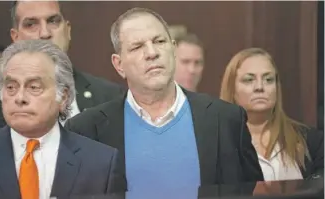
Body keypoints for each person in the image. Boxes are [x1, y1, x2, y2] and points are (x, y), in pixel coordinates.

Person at [65, 7, 264, 190]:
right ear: (119, 65)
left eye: (159, 41)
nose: (152, 53)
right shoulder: (86, 130)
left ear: (173, 49)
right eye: (137, 47)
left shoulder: (226, 120)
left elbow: (254, 192)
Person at [0, 40, 124, 199]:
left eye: (34, 87)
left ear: (63, 97)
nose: (20, 98)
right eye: (11, 87)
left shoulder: (101, 162)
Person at [0, 0, 125, 130]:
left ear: (68, 30)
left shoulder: (110, 97)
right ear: (15, 37)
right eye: (31, 24)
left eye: (53, 21)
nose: (45, 33)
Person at [220, 47, 324, 181]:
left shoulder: (310, 141)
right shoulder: (215, 144)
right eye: (249, 80)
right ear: (232, 89)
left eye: (268, 79)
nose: (260, 87)